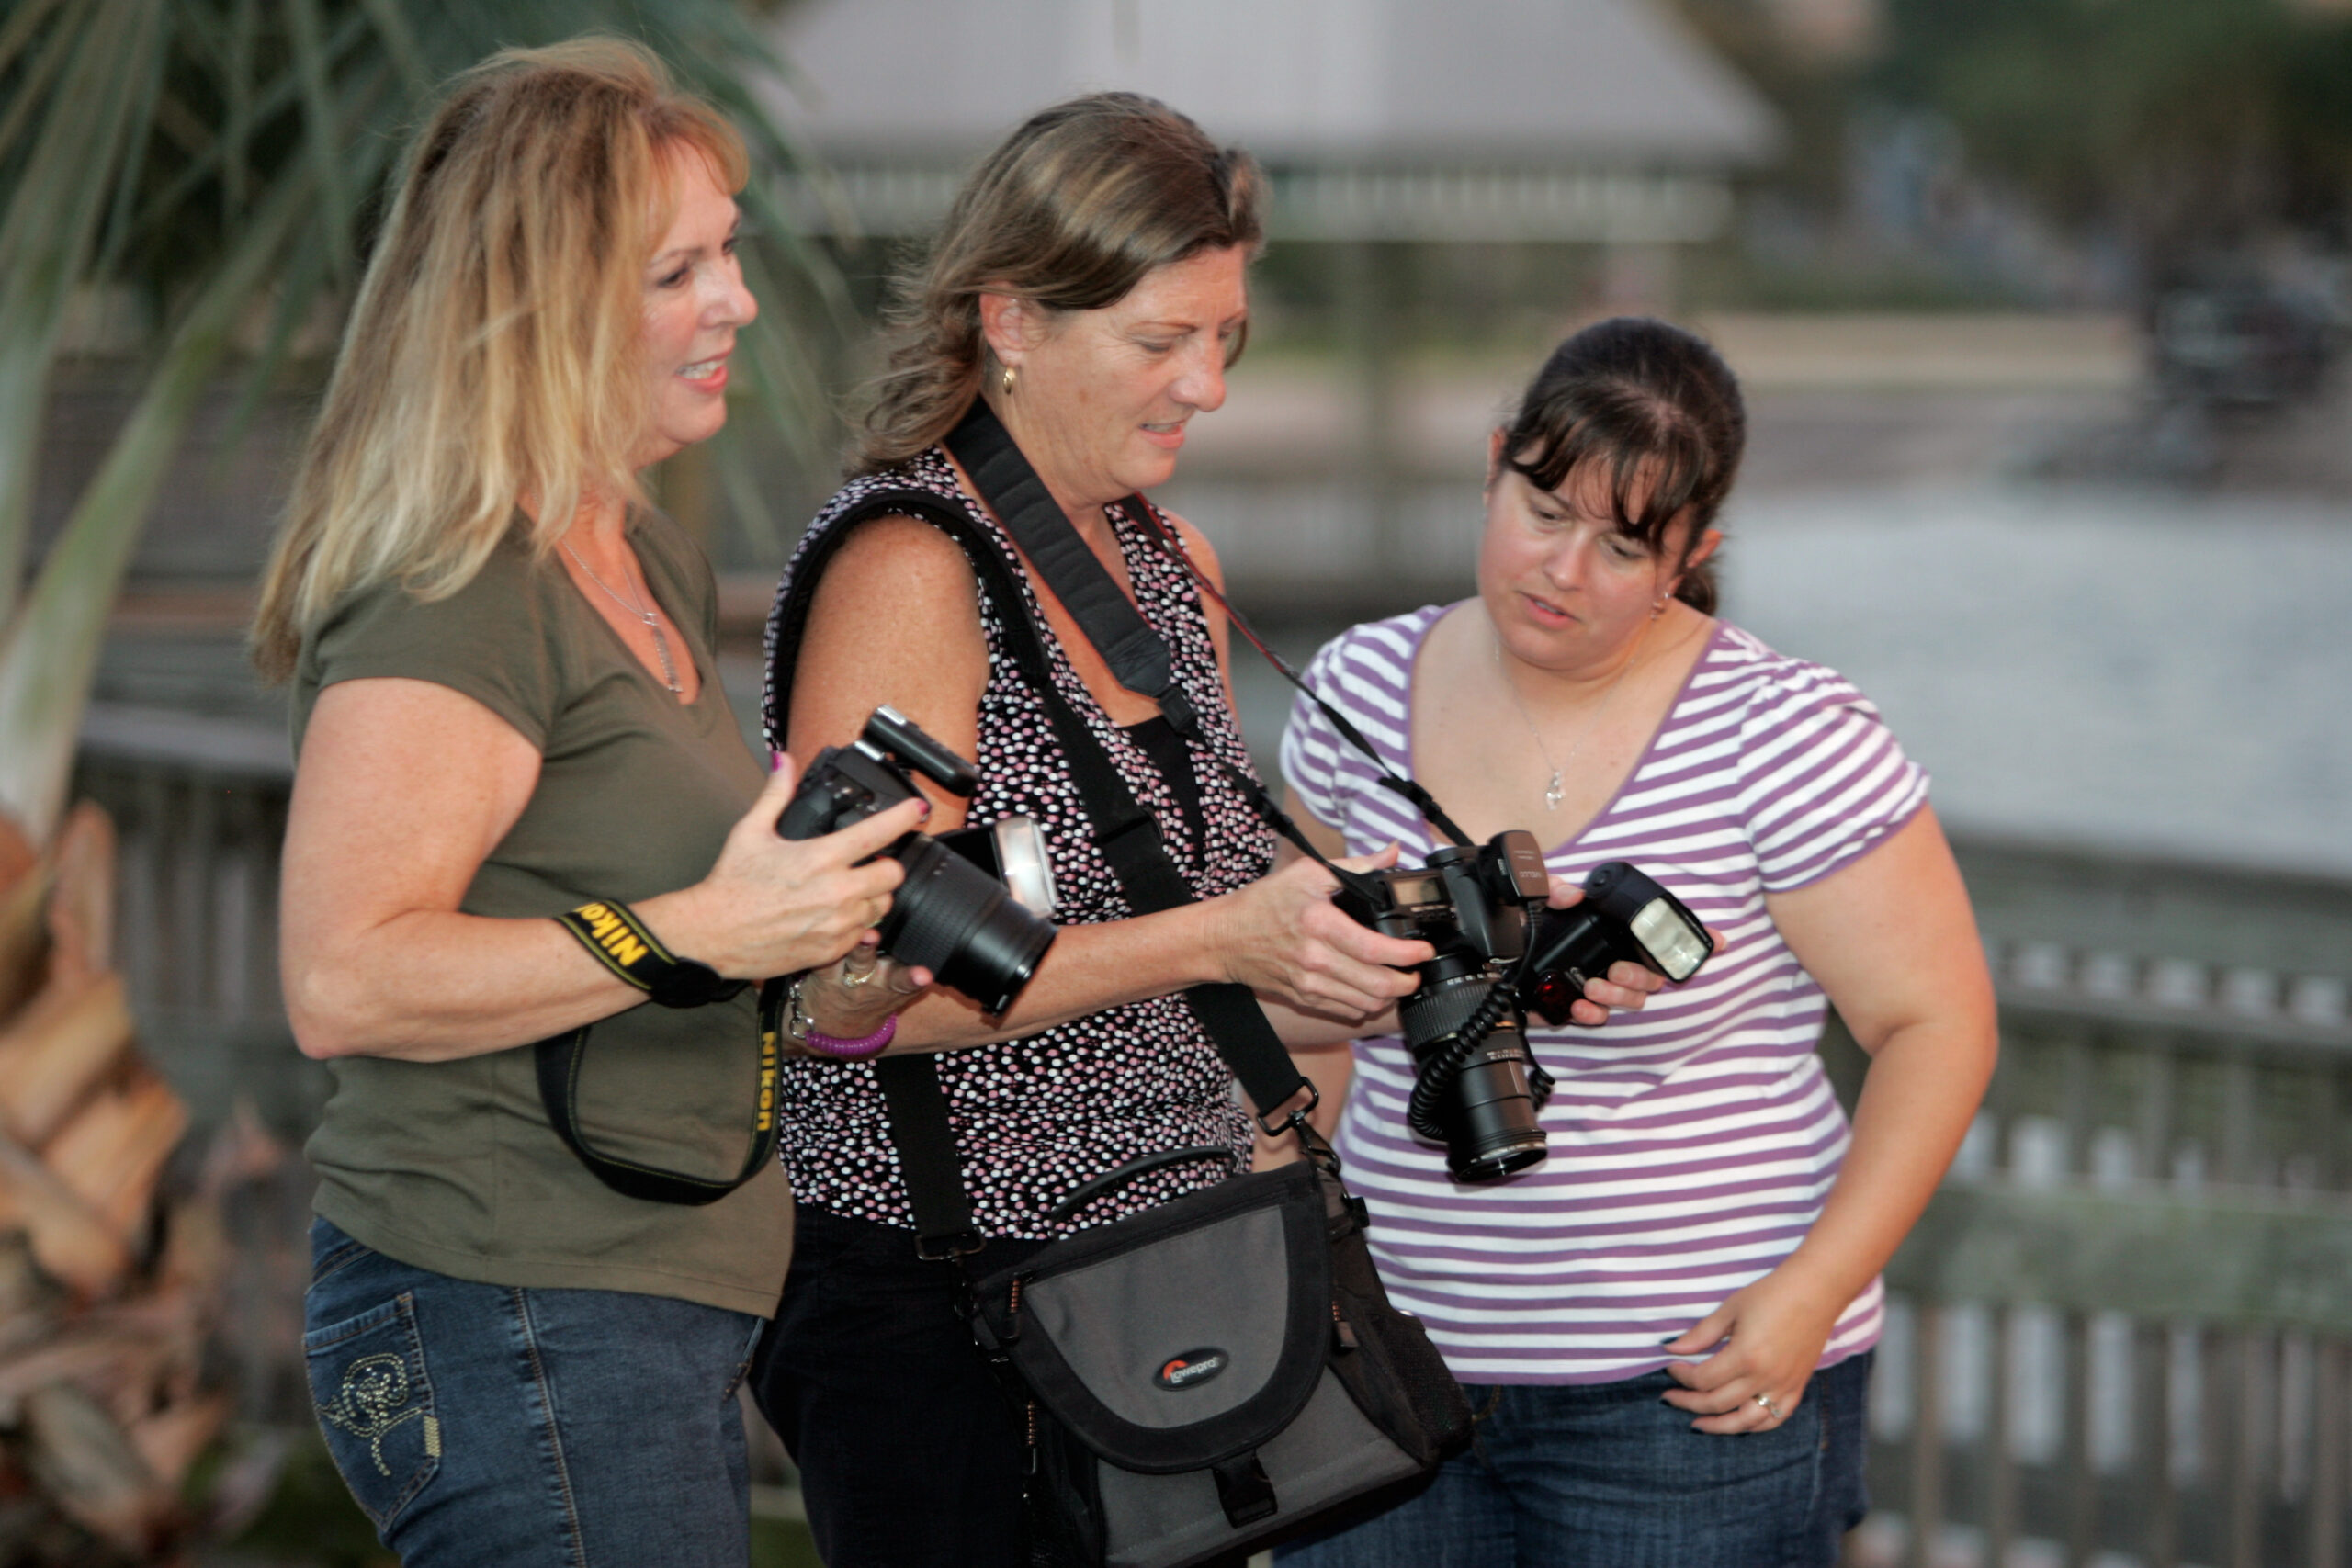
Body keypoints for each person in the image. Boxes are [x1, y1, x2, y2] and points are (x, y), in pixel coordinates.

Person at [752, 96, 1666, 1568]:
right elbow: (834, 996)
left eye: (1226, 337)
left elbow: (1221, 909)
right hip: (946, 1302)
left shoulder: (1164, 558)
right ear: (1012, 320)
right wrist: (1225, 939)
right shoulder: (910, 567)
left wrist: (1457, 950)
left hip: (1163, 1268)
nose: (1210, 387)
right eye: (1161, 341)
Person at [249, 40, 929, 1567]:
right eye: (676, 270)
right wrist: (699, 924)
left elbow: (646, 928)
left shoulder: (641, 564)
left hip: (639, 1302)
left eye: (729, 255)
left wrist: (827, 946)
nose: (736, 302)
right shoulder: (464, 586)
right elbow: (343, 979)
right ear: (543, 306)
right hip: (513, 1310)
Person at [1269, 317, 2000, 1568]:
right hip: (1386, 1370)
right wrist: (1292, 1258)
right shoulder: (1357, 686)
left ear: (1693, 555)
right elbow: (1287, 1014)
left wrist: (1811, 1295)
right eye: (1542, 507)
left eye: (1623, 545)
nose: (1562, 569)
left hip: (1691, 1393)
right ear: (1495, 463)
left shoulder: (1782, 731)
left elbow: (1937, 1026)